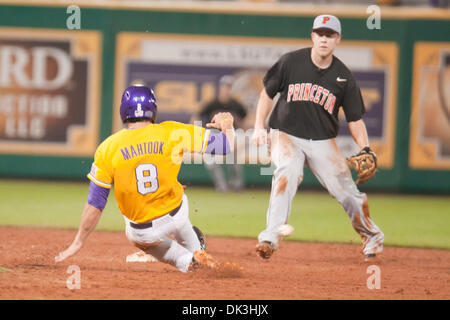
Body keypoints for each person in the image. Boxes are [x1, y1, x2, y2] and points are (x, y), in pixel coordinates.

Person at [55, 85, 236, 272]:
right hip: (177, 215)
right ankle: (196, 250)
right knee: (177, 194)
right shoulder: (173, 132)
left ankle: (186, 260)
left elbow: (95, 203)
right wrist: (228, 125)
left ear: (123, 110)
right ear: (153, 109)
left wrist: (78, 242)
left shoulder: (108, 147)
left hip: (143, 232)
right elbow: (225, 147)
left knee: (145, 236)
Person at [251, 14, 384, 261]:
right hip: (285, 134)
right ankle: (269, 238)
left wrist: (366, 147)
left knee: (346, 192)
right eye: (320, 34)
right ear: (312, 36)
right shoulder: (290, 62)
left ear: (338, 39)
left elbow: (355, 119)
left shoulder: (344, 76)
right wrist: (259, 126)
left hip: (322, 140)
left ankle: (372, 236)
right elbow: (266, 94)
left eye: (329, 35)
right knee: (287, 171)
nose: (324, 39)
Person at [196, 75, 248, 192]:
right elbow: (197, 116)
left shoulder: (236, 105)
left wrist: (244, 137)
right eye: (225, 87)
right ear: (220, 88)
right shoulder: (213, 103)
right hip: (214, 136)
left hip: (230, 136)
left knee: (234, 162)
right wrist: (196, 131)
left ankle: (237, 186)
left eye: (229, 87)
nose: (226, 90)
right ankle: (221, 186)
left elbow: (243, 122)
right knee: (211, 161)